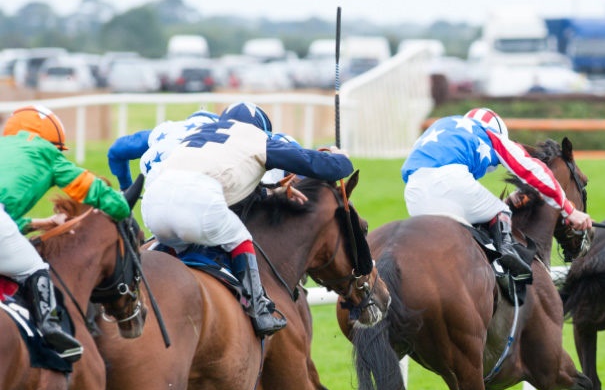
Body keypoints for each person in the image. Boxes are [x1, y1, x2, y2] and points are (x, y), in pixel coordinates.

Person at [140, 101, 353, 337]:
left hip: (152, 206)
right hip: (196, 204)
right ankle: (259, 308)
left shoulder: (199, 133)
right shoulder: (256, 139)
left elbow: (228, 179)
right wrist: (340, 158)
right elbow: (323, 167)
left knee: (175, 244)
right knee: (239, 236)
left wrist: (271, 191)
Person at [0, 105, 131, 361]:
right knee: (34, 268)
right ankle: (52, 329)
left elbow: (8, 218)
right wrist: (121, 207)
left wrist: (41, 222)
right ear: (51, 141)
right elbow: (94, 190)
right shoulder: (47, 153)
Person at [401, 107, 592, 278]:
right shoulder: (492, 135)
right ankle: (507, 264)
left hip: (413, 190)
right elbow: (535, 171)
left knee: (462, 229)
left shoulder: (445, 125)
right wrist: (569, 210)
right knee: (501, 211)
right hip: (449, 179)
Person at [107, 109, 220, 190]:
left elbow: (116, 150)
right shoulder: (226, 136)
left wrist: (126, 188)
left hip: (157, 187)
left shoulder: (167, 129)